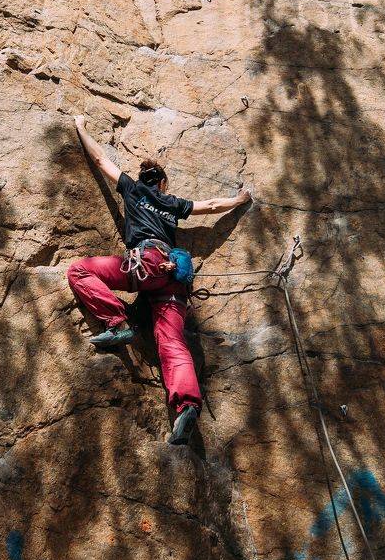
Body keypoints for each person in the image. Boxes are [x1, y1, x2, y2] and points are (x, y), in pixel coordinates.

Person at [67, 115, 253, 445]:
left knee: (79, 270)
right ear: (163, 184)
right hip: (173, 279)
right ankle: (187, 407)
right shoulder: (172, 203)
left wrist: (81, 126)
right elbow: (211, 205)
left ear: (144, 180)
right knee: (172, 342)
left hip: (146, 265)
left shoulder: (133, 188)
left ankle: (117, 323)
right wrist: (240, 200)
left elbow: (100, 160)